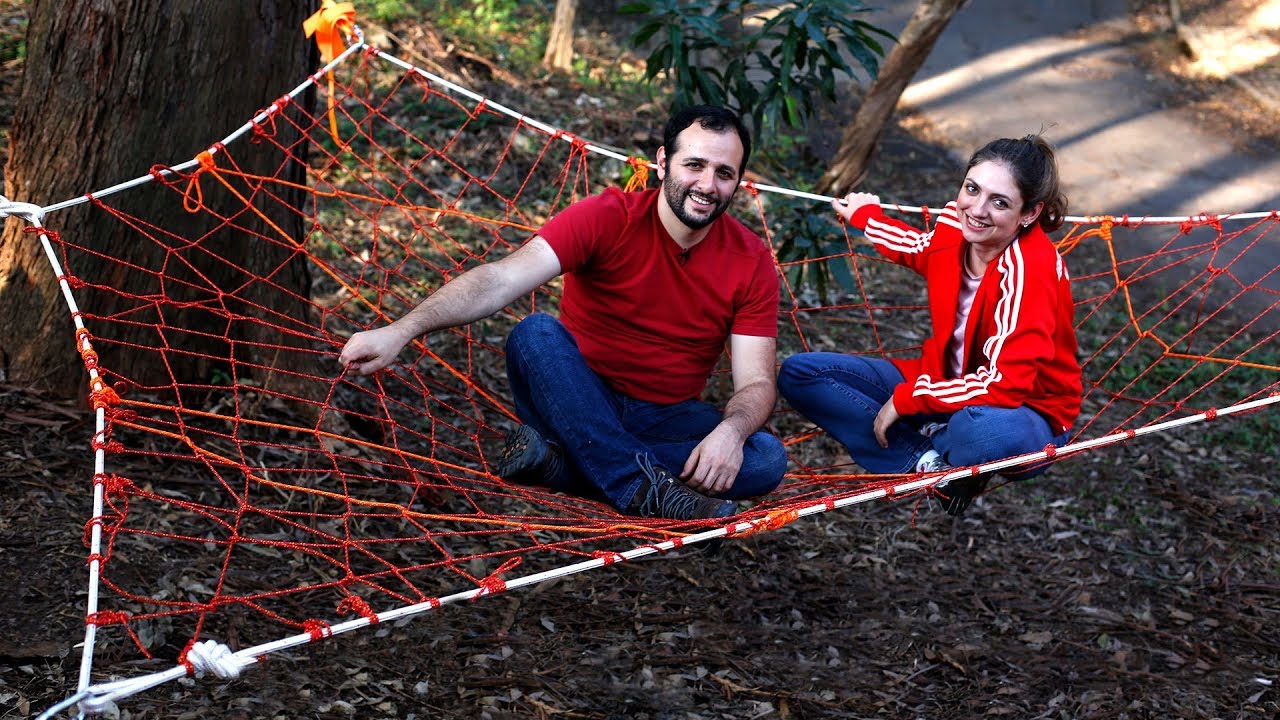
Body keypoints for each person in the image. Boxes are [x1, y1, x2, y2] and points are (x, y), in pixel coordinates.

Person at [339, 105, 787, 521]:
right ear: (662, 162)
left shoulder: (750, 260)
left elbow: (756, 383)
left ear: (738, 181)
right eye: (695, 165)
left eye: (724, 173)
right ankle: (642, 486)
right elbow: (500, 280)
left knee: (765, 458)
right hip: (573, 399)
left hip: (664, 418)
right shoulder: (608, 217)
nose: (708, 185)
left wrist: (730, 433)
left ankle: (565, 468)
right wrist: (401, 330)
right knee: (535, 333)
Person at [778, 135, 1081, 516]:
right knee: (801, 374)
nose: (977, 209)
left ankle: (950, 444)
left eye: (999, 202)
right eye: (972, 189)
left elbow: (1004, 387)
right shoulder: (956, 221)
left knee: (979, 432)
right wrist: (866, 217)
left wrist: (909, 400)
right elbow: (921, 249)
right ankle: (928, 463)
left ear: (1029, 214)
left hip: (1024, 411)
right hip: (943, 384)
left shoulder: (1029, 269)